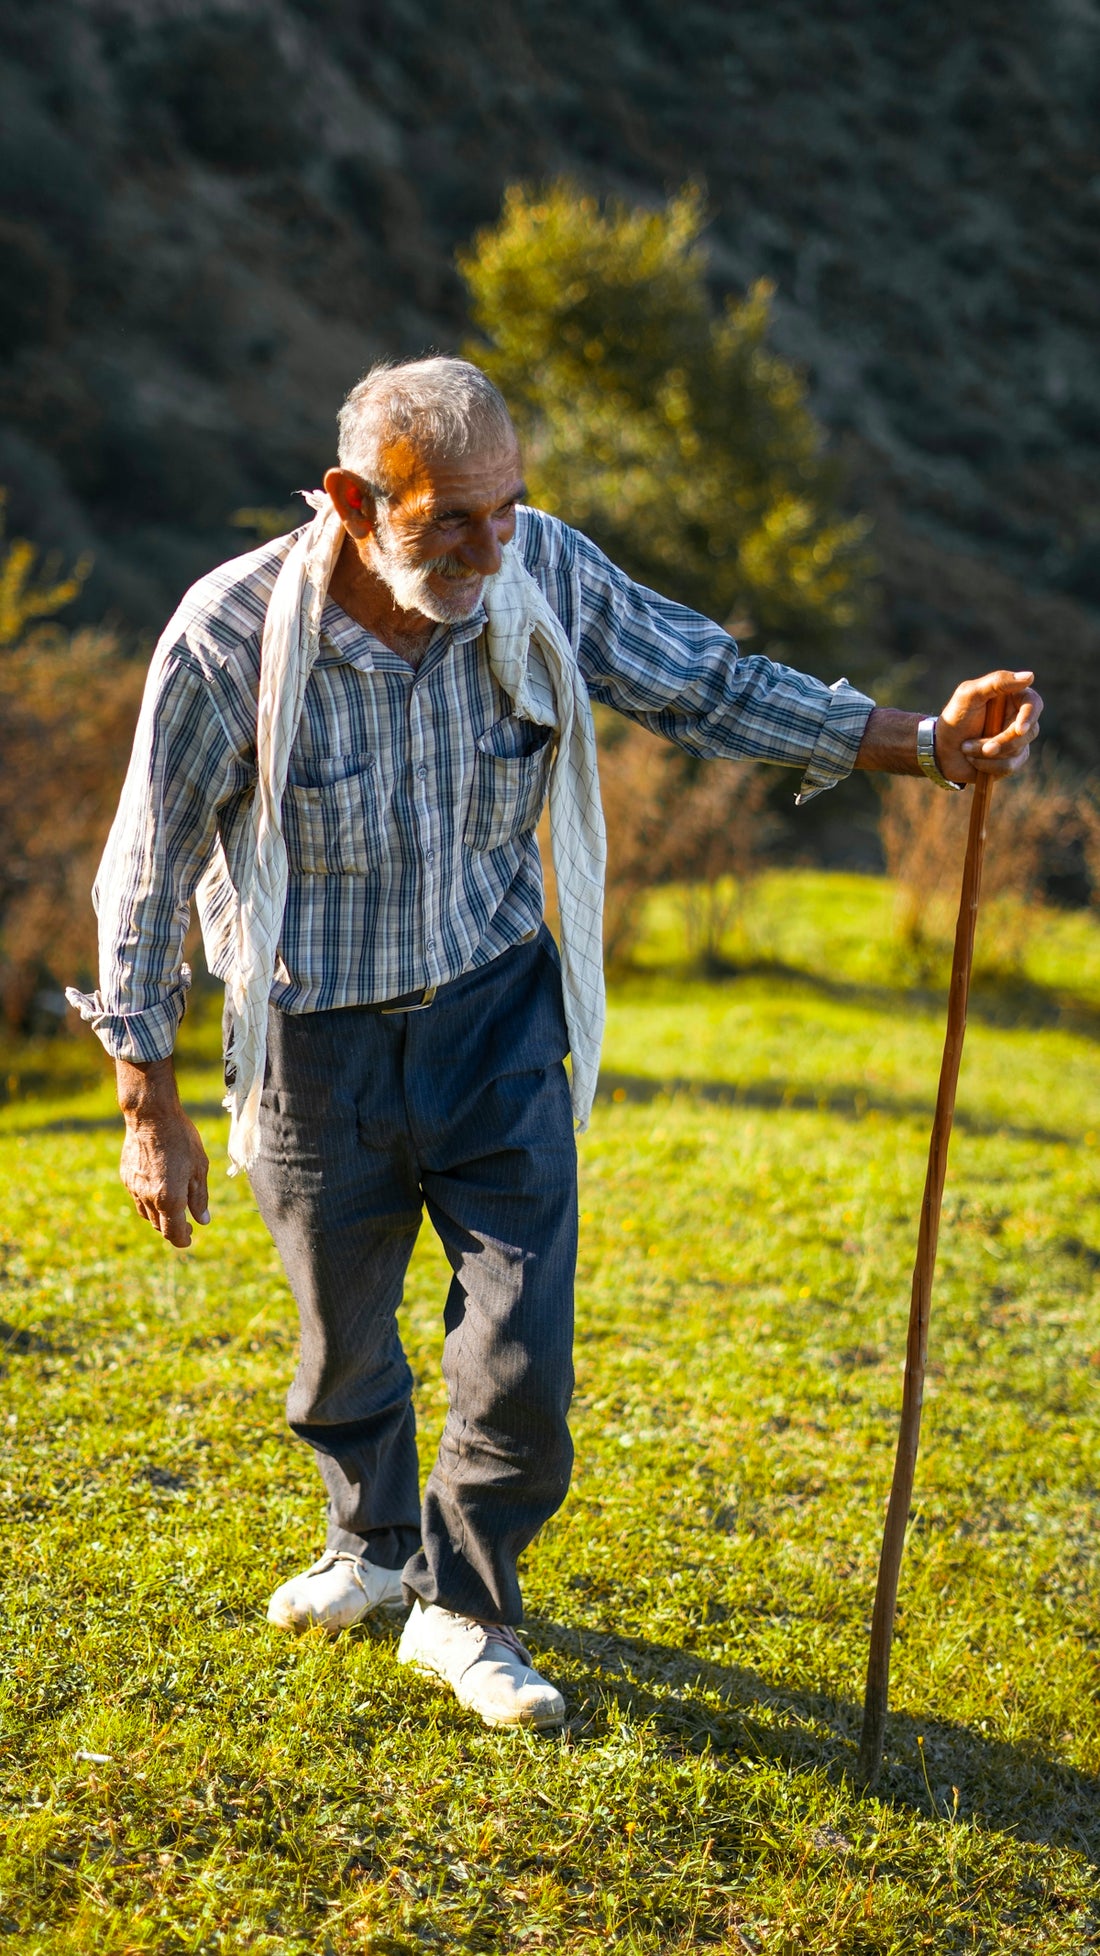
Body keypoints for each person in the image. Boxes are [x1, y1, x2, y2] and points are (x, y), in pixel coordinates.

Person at [69, 357, 1041, 1731]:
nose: (487, 548)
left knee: (521, 1350)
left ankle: (465, 1611)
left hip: (492, 1013)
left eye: (507, 509)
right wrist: (143, 1102)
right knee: (344, 1350)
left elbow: (703, 684)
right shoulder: (228, 638)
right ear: (354, 499)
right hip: (308, 1040)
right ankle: (372, 1544)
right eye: (448, 520)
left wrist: (922, 744)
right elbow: (146, 874)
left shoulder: (542, 577)